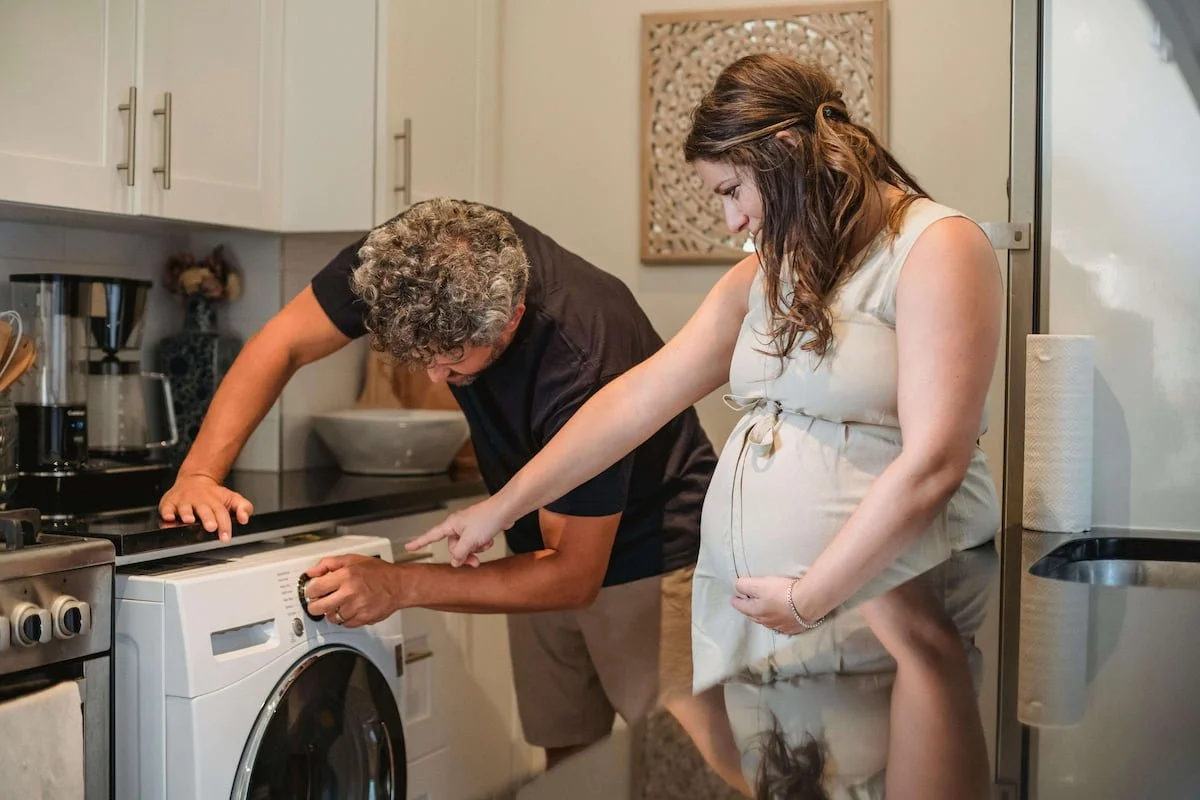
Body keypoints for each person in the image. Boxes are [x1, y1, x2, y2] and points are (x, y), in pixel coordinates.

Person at [406, 53, 1003, 799]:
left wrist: (812, 594)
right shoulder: (773, 270)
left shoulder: (938, 246)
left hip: (887, 603)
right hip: (766, 617)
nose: (730, 221)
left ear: (784, 152)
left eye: (731, 190)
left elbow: (935, 463)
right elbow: (634, 401)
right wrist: (503, 507)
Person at [157, 198, 749, 793]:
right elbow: (283, 341)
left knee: (686, 774)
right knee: (570, 762)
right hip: (536, 541)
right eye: (420, 358)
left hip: (654, 549)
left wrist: (402, 584)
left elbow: (574, 575)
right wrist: (200, 474)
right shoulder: (406, 261)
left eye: (452, 361)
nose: (435, 378)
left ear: (512, 317)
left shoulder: (580, 352)